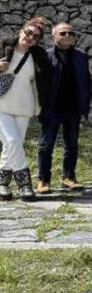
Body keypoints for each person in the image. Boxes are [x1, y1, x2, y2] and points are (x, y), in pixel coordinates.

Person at [37, 22, 90, 193]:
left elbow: (86, 81)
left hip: (73, 109)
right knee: (46, 146)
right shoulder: (46, 56)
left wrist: (86, 104)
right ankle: (43, 180)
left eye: (70, 33)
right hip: (51, 108)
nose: (67, 36)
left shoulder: (81, 56)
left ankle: (69, 177)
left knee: (72, 145)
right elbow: (39, 83)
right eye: (63, 33)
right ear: (54, 36)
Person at [0, 19, 49, 201]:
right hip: (1, 105)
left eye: (35, 36)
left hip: (24, 106)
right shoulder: (3, 47)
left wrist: (38, 107)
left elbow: (41, 84)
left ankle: (2, 184)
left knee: (12, 145)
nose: (30, 37)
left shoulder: (38, 56)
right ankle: (25, 184)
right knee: (12, 141)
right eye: (28, 32)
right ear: (21, 31)